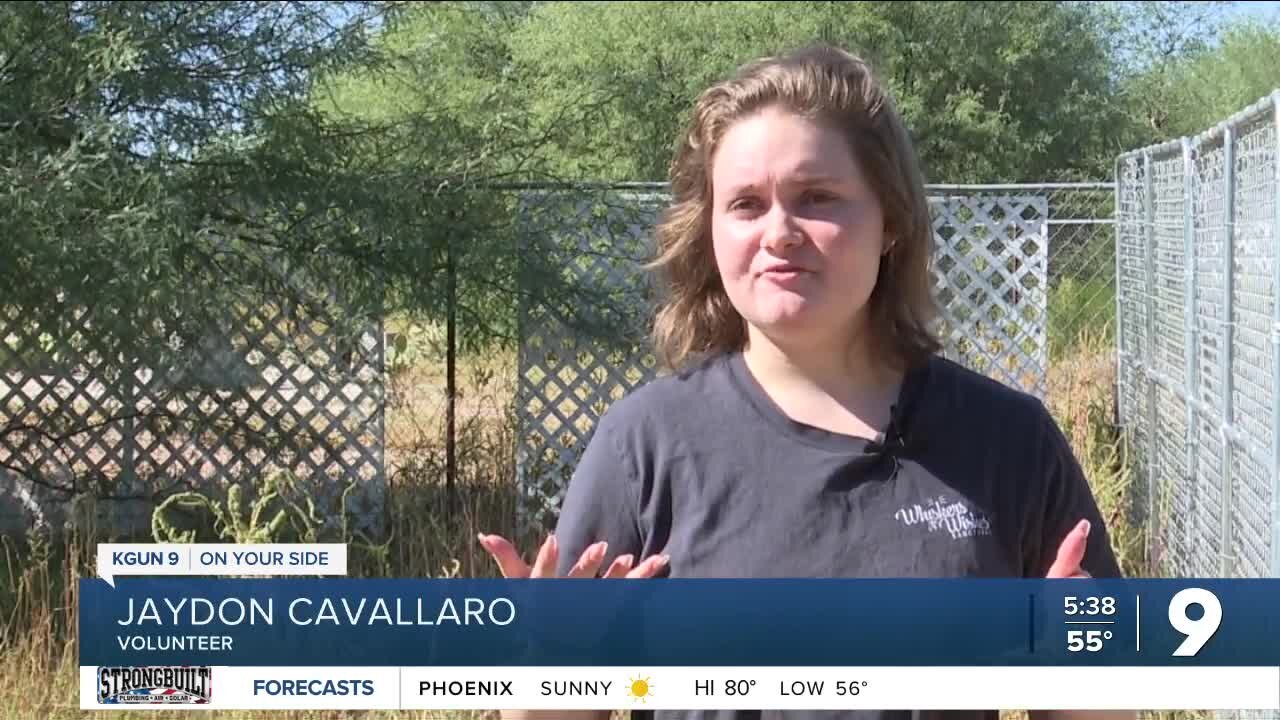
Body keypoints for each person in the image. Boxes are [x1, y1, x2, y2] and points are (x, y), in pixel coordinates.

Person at [479, 44, 1132, 720]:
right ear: (709, 232)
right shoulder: (644, 447)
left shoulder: (1009, 443)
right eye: (745, 204)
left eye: (817, 197)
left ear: (891, 223)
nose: (779, 233)